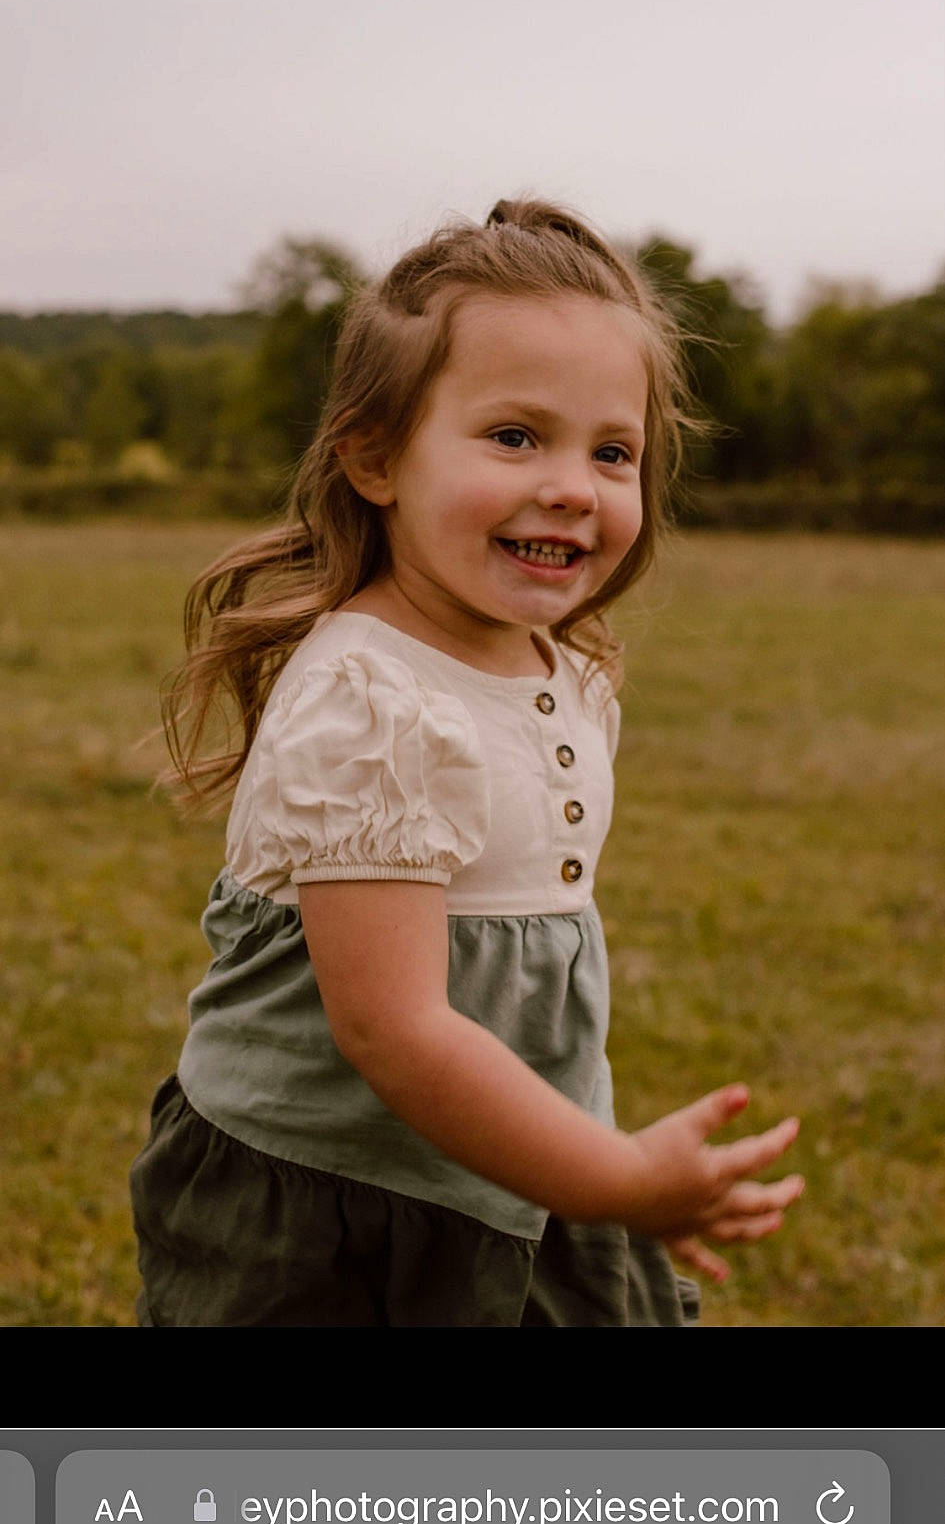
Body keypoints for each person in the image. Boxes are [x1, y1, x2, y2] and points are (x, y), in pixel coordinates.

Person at [130, 197, 803, 1327]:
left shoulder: (568, 664)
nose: (573, 485)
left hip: (519, 1156)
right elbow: (396, 1028)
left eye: (613, 451)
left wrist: (578, 1163)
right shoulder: (371, 702)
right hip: (340, 1205)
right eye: (514, 436)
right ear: (375, 457)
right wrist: (617, 1179)